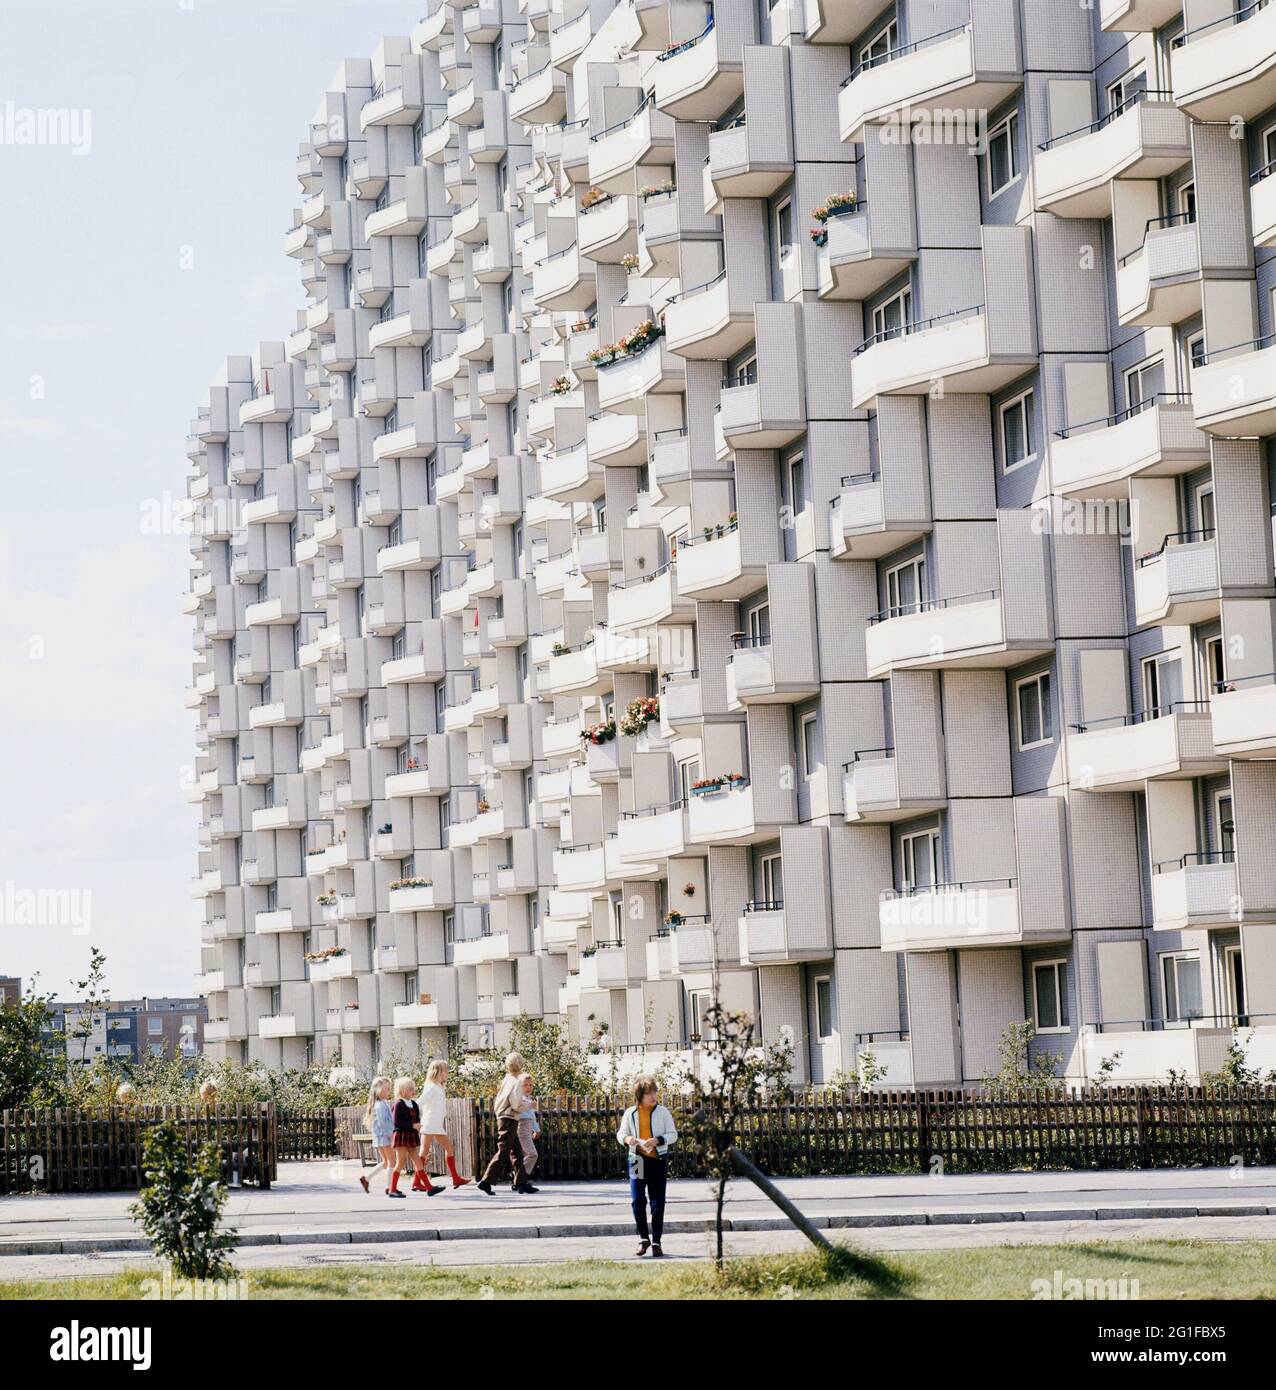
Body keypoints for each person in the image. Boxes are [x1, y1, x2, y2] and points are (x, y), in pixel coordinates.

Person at [617, 1075, 677, 1257]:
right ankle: (643, 1239)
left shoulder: (663, 1112)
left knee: (658, 1202)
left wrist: (658, 1140)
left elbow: (673, 1134)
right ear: (640, 1096)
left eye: (654, 1092)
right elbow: (621, 1134)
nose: (653, 1096)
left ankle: (657, 1241)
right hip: (637, 1159)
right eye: (648, 1093)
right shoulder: (630, 1113)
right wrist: (628, 1139)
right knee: (637, 1200)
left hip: (658, 1160)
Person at [475, 1052, 539, 1195]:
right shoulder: (516, 1082)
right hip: (509, 1118)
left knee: (516, 1152)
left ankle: (521, 1182)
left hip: (504, 1117)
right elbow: (516, 1105)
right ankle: (486, 1181)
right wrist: (530, 1106)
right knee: (503, 1151)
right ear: (521, 1064)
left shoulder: (507, 1079)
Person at [418, 1059, 470, 1189]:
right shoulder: (432, 1087)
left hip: (435, 1125)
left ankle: (455, 1178)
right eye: (446, 1071)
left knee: (443, 1149)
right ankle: (417, 1182)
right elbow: (419, 1102)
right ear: (439, 1072)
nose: (448, 1073)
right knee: (425, 1152)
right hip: (430, 1124)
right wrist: (409, 1113)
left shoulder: (438, 1087)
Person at [389, 1076, 441, 1198]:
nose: (414, 1091)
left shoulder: (414, 1104)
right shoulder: (398, 1104)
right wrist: (412, 1125)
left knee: (418, 1161)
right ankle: (392, 1189)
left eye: (413, 1088)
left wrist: (417, 1125)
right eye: (410, 1088)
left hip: (411, 1135)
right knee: (400, 1162)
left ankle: (429, 1188)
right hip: (401, 1136)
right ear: (402, 1090)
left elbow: (416, 1119)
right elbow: (396, 1123)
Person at [359, 1076, 394, 1195]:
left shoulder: (380, 1103)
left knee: (385, 1162)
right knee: (391, 1162)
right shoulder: (380, 1105)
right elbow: (384, 1122)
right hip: (384, 1136)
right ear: (379, 1090)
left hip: (379, 1137)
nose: (389, 1091)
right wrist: (391, 1134)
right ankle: (390, 1188)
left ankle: (366, 1179)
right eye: (387, 1089)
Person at [511, 1073, 541, 1189]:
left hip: (527, 1128)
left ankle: (518, 1179)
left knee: (524, 1155)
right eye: (525, 1085)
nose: (528, 1087)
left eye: (530, 1085)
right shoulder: (519, 1100)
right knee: (532, 1154)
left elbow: (532, 1116)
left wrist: (536, 1130)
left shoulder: (528, 1100)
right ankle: (518, 1175)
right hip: (522, 1128)